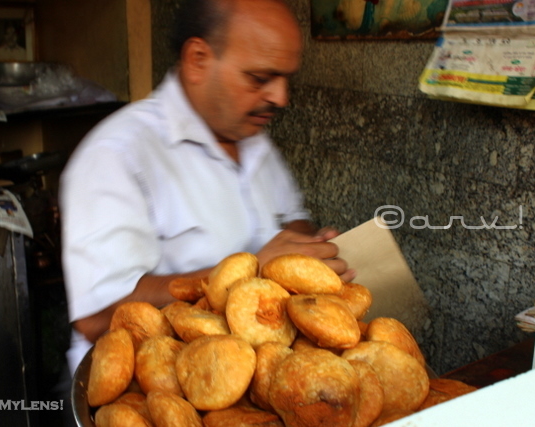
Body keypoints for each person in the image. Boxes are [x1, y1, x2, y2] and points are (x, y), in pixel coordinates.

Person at [59, 0, 356, 375]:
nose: (281, 98)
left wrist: (310, 249)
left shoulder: (254, 141)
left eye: (286, 79)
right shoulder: (117, 154)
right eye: (260, 78)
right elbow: (97, 317)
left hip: (247, 372)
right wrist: (247, 275)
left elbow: (291, 222)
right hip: (153, 383)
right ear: (198, 59)